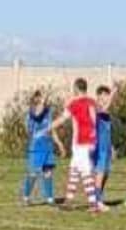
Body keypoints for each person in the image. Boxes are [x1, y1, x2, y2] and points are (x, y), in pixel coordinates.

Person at [43, 78, 107, 214]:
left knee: (85, 172)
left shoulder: (75, 104)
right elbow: (101, 110)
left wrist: (48, 128)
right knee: (74, 170)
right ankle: (68, 200)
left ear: (76, 89)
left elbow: (62, 118)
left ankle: (93, 203)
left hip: (81, 142)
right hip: (91, 141)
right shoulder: (92, 102)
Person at [20, 90, 57, 207]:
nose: (42, 100)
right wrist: (42, 102)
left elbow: (51, 128)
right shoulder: (32, 111)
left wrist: (59, 143)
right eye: (39, 98)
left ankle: (50, 198)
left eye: (42, 98)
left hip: (47, 147)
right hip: (36, 147)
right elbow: (37, 114)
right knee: (33, 173)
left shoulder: (48, 112)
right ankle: (26, 197)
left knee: (48, 172)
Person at [91, 86, 114, 207]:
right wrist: (113, 96)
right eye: (106, 95)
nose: (107, 98)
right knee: (99, 173)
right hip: (99, 147)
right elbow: (104, 109)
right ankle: (97, 201)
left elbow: (108, 130)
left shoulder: (106, 112)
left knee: (105, 173)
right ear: (99, 96)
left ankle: (98, 197)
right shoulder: (97, 108)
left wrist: (112, 147)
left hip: (106, 147)